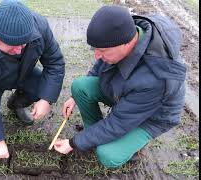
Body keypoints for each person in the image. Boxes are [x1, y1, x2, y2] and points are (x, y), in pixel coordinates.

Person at [54, 5, 186, 168]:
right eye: (95, 49)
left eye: (102, 50)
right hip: (126, 92)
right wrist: (75, 97)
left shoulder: (155, 78)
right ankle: (94, 133)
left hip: (151, 116)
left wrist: (73, 143)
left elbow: (117, 124)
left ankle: (129, 147)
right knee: (81, 87)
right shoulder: (123, 34)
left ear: (127, 44)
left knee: (108, 155)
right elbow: (100, 65)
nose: (97, 55)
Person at [0, 0, 65, 159]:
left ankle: (16, 103)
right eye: (11, 45)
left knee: (43, 88)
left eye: (23, 44)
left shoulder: (39, 26)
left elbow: (55, 62)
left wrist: (46, 99)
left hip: (24, 73)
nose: (18, 50)